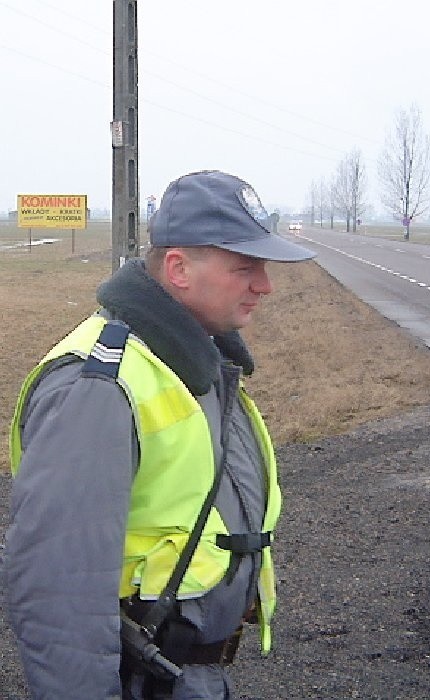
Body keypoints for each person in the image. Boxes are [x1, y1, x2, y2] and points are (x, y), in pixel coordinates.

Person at [5, 170, 315, 700]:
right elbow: (59, 595)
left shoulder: (195, 363)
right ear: (178, 269)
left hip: (186, 678)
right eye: (245, 267)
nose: (264, 285)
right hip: (139, 680)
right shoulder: (99, 387)